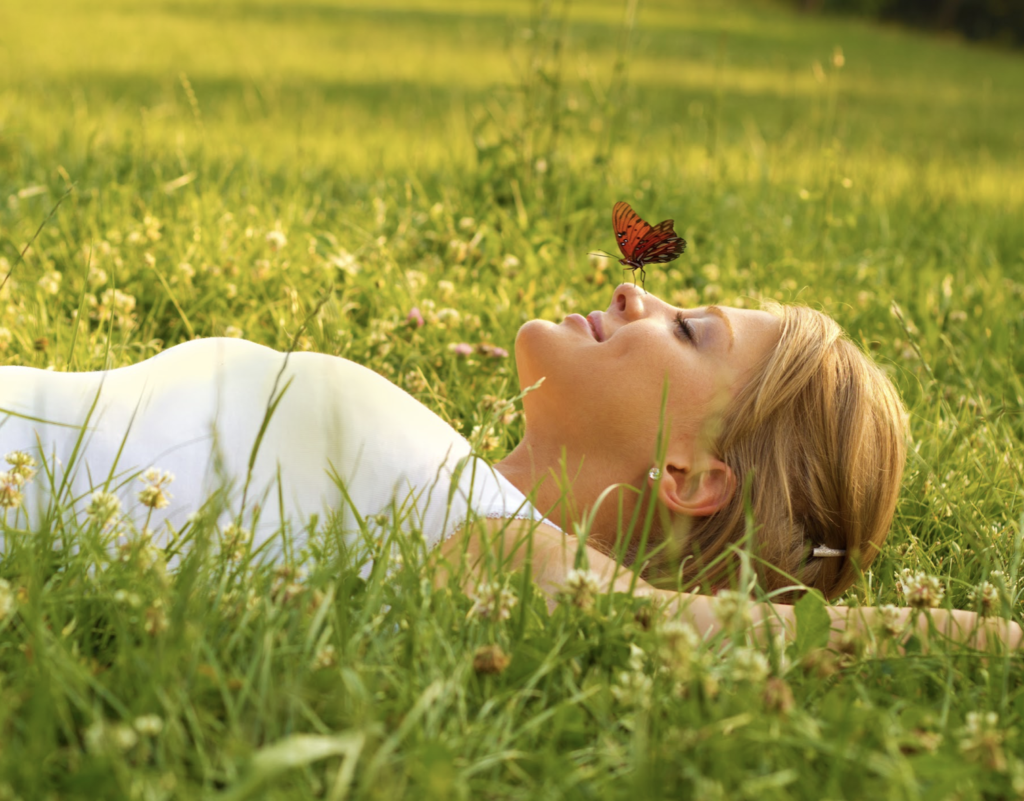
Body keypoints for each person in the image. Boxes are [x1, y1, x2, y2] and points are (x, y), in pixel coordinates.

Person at [0, 283, 1017, 649]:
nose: (635, 291)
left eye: (690, 330)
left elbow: (712, 630)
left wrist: (983, 638)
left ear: (689, 474)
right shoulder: (447, 490)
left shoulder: (475, 535)